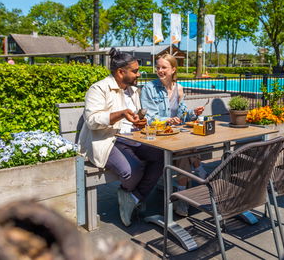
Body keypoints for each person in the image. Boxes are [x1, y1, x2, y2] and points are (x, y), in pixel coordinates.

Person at [78, 48, 164, 227]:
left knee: (159, 156)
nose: (138, 74)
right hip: (106, 139)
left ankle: (132, 197)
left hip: (131, 138)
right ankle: (131, 195)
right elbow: (92, 121)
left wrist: (140, 122)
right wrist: (121, 114)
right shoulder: (99, 88)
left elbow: (134, 118)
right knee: (132, 171)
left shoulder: (132, 91)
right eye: (135, 71)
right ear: (120, 72)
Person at [140, 54, 206, 216]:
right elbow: (149, 117)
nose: (160, 70)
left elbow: (183, 115)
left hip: (174, 134)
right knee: (185, 149)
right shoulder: (149, 88)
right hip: (157, 136)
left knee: (185, 148)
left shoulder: (179, 88)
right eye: (158, 67)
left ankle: (182, 194)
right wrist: (168, 120)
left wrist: (193, 113)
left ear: (173, 69)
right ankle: (201, 173)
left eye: (164, 67)